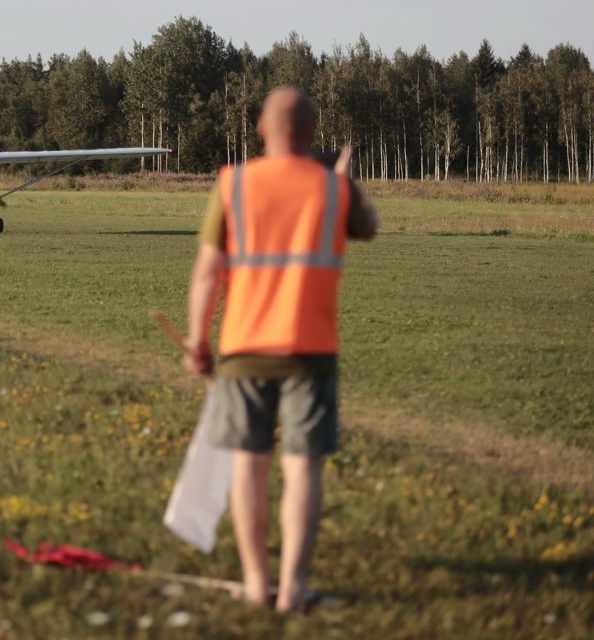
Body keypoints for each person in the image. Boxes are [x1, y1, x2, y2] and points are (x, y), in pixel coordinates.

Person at [183, 87, 377, 611]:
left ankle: (253, 581)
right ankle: (293, 587)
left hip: (244, 347)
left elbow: (207, 272)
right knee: (303, 468)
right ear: (313, 134)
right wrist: (345, 178)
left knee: (249, 465)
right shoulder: (333, 189)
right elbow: (369, 227)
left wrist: (198, 340)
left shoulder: (234, 185)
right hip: (311, 350)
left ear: (260, 128)